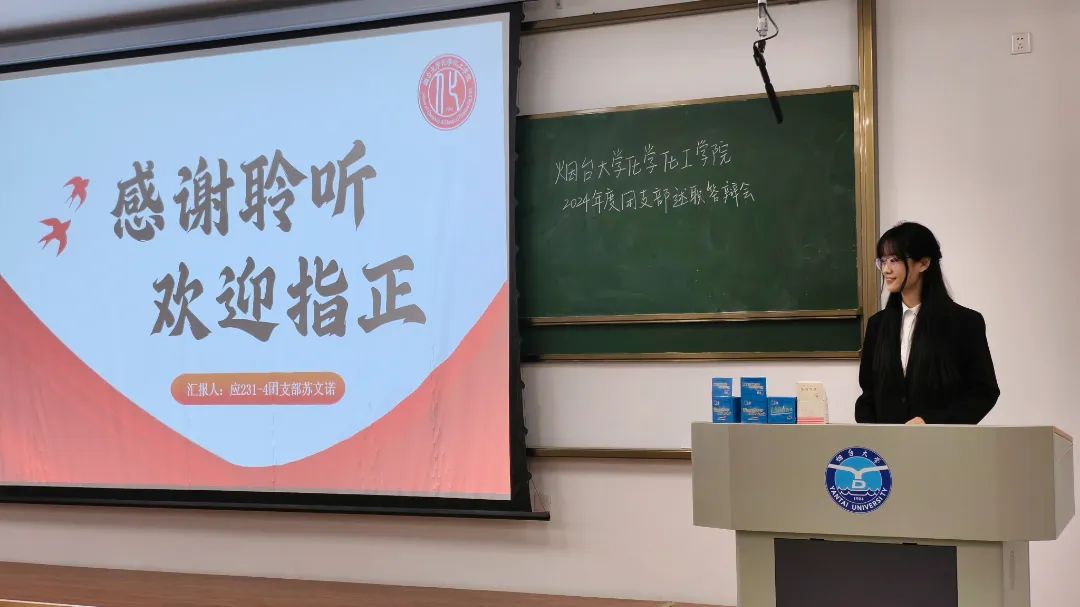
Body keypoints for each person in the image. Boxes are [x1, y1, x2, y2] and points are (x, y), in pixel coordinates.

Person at [855, 222, 999, 424]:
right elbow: (868, 395)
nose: (886, 269)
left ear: (923, 263)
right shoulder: (877, 325)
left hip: (941, 441)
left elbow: (982, 393)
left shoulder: (965, 323)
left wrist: (930, 422)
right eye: (882, 261)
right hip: (886, 443)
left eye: (894, 260)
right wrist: (873, 434)